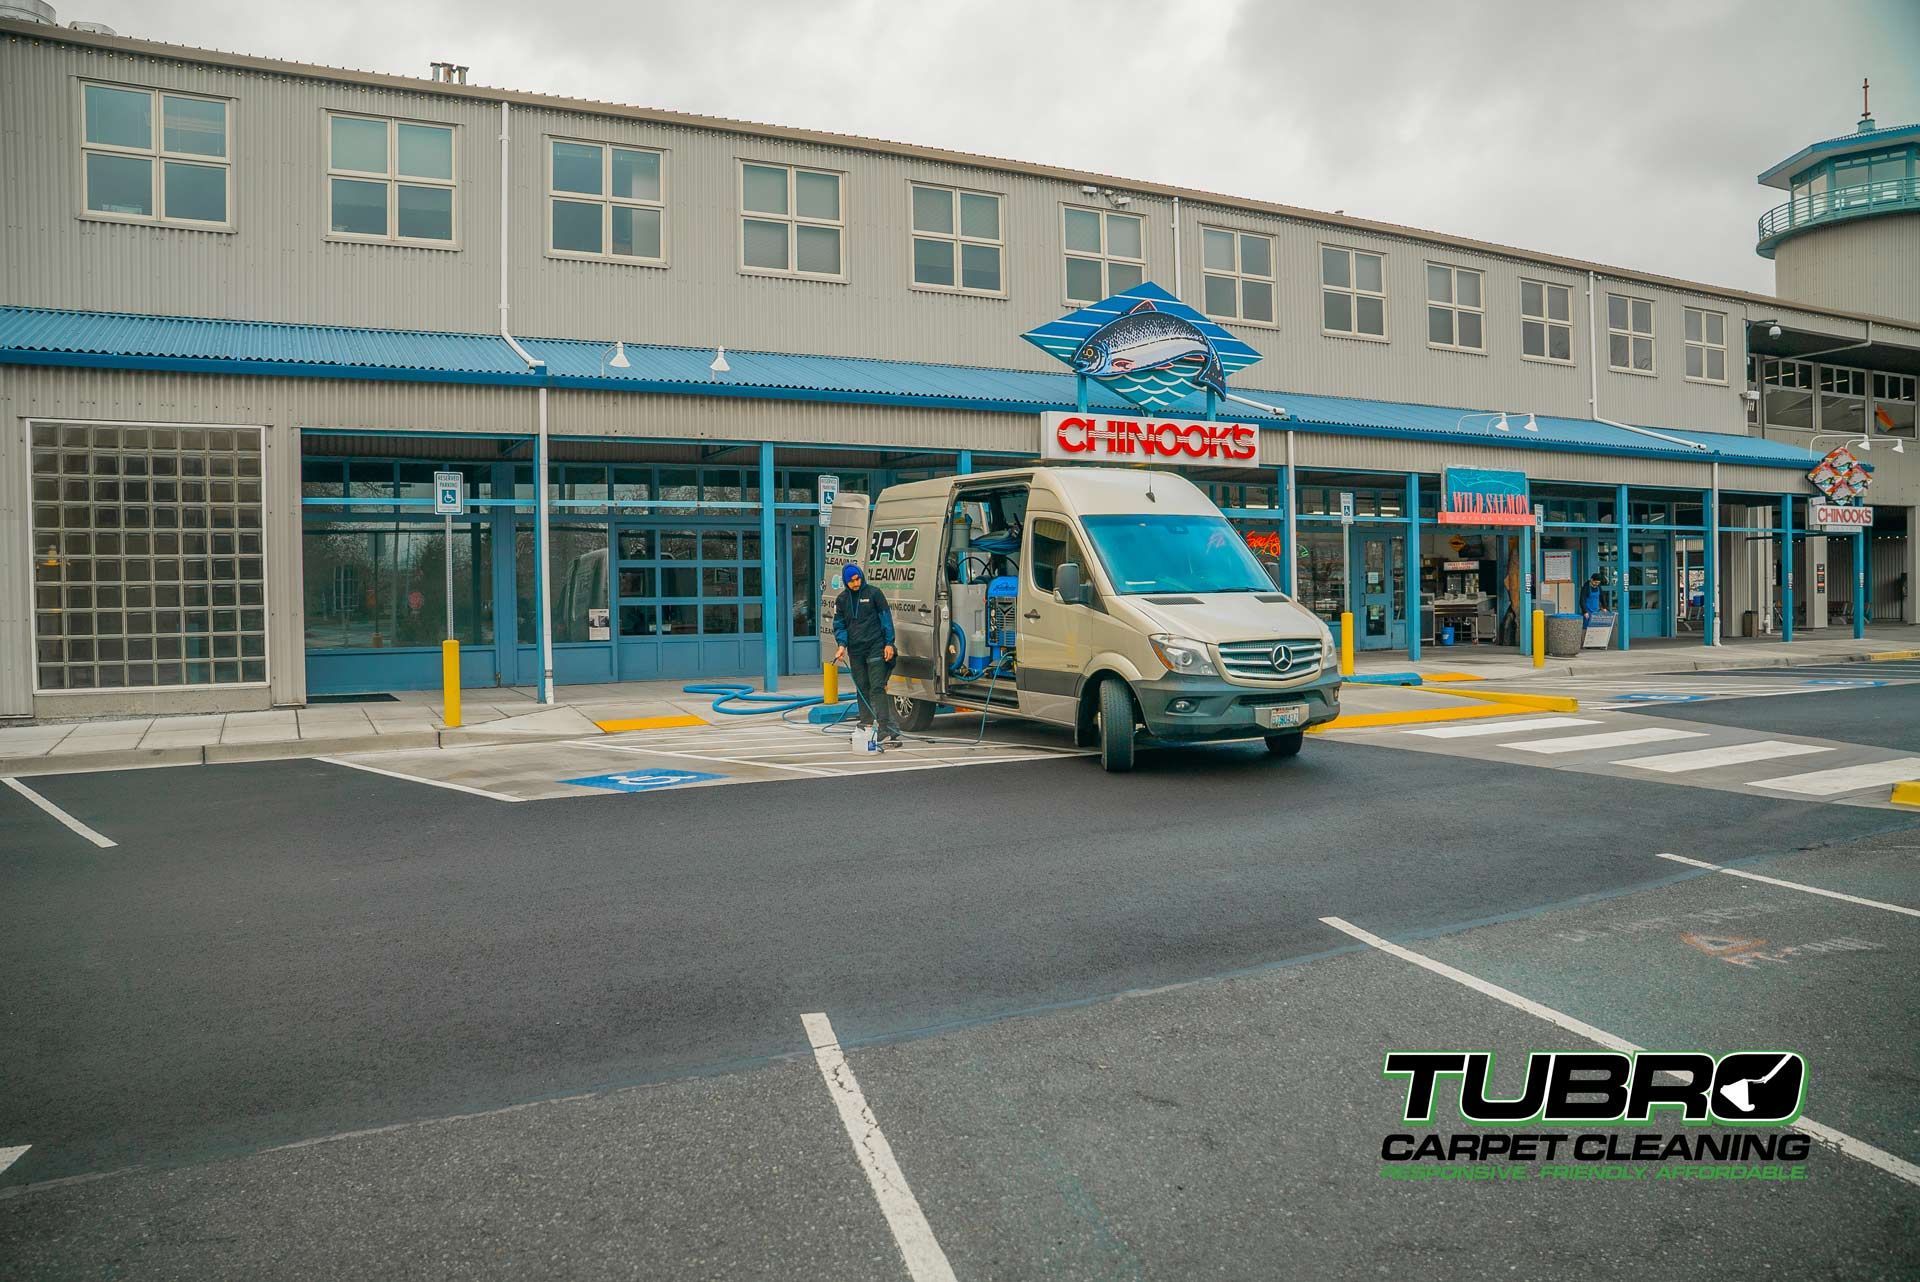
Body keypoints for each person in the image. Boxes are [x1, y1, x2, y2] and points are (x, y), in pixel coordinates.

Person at [833, 563, 900, 744]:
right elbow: (840, 625)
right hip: (856, 650)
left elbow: (886, 619)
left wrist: (889, 644)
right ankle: (866, 724)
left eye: (857, 579)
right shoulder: (842, 600)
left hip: (875, 646)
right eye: (851, 581)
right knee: (862, 687)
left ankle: (886, 728)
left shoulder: (874, 594)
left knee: (877, 687)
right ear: (846, 582)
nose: (855, 583)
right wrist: (841, 646)